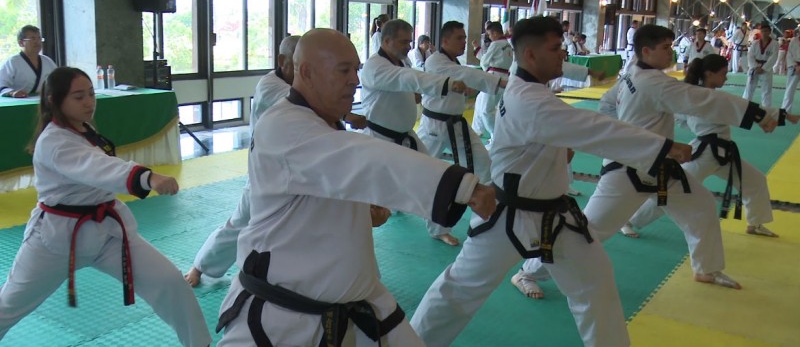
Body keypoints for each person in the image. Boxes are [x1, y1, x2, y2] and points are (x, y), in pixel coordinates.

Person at [409, 16, 692, 347]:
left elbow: (561, 128)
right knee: (458, 290)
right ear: (530, 55)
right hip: (511, 216)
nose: (563, 54)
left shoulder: (533, 92)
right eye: (556, 48)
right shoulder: (529, 99)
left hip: (556, 216)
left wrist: (558, 150)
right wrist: (662, 146)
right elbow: (593, 128)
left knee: (596, 288)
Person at [215, 28, 497, 346]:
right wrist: (464, 187)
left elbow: (327, 185)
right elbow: (360, 159)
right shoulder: (284, 125)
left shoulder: (323, 124)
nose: (354, 80)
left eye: (355, 69)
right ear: (305, 71)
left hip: (355, 301)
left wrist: (360, 213)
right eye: (344, 70)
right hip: (279, 319)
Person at [515, 24, 777, 298]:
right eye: (665, 48)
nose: (670, 52)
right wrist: (759, 114)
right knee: (587, 232)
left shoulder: (632, 74)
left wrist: (624, 129)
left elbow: (607, 103)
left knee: (700, 207)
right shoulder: (651, 82)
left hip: (660, 166)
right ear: (646, 51)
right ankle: (527, 271)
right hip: (628, 169)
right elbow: (701, 100)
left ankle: (706, 268)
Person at [0, 67, 211, 346]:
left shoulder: (82, 130)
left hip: (107, 235)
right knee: (9, 306)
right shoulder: (53, 142)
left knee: (169, 281)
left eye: (90, 94)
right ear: (54, 101)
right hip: (56, 241)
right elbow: (99, 167)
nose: (89, 102)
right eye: (78, 97)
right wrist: (147, 177)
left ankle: (201, 344)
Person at [625, 54, 798, 238]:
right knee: (673, 190)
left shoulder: (706, 95)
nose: (726, 77)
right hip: (705, 153)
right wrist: (780, 116)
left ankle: (755, 222)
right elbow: (738, 107)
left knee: (755, 181)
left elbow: (737, 107)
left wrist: (781, 115)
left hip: (724, 152)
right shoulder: (699, 96)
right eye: (723, 73)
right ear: (709, 74)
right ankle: (630, 221)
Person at [184, 36, 302, 287]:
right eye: (299, 64)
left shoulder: (295, 85)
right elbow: (304, 99)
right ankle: (201, 265)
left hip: (296, 169)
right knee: (240, 222)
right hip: (265, 170)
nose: (305, 71)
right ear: (283, 62)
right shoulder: (269, 86)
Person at [360, 19, 467, 246]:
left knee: (434, 178)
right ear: (386, 40)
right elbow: (406, 79)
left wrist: (414, 94)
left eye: (410, 41)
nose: (409, 46)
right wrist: (444, 83)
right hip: (380, 140)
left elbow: (406, 81)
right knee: (368, 197)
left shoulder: (401, 61)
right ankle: (354, 241)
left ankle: (439, 228)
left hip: (405, 136)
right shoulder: (374, 65)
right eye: (404, 41)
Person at [417, 21, 507, 210]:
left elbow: (464, 78)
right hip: (434, 124)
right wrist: (500, 82)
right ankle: (395, 201)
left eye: (464, 38)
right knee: (420, 169)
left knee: (483, 162)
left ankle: (490, 205)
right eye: (459, 38)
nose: (464, 42)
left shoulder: (451, 61)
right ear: (445, 40)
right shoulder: (436, 61)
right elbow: (464, 74)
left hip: (457, 123)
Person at [472, 21, 512, 142]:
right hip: (505, 78)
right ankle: (477, 129)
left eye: (490, 34)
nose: (489, 37)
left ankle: (496, 137)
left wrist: (486, 70)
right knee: (480, 101)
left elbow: (484, 61)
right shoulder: (508, 44)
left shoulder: (496, 44)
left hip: (494, 78)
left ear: (495, 33)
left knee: (486, 109)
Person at [0, 25, 57, 98]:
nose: (37, 42)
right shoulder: (12, 62)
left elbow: (58, 81)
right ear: (21, 43)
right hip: (17, 102)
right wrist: (12, 92)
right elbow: (1, 85)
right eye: (32, 39)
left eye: (39, 38)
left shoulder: (48, 61)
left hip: (42, 101)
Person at [743, 24, 778, 107]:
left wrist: (763, 68)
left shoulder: (775, 44)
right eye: (762, 31)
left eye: (766, 31)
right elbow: (750, 55)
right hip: (754, 68)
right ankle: (744, 107)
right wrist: (755, 66)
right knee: (749, 89)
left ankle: (766, 110)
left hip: (766, 69)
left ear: (770, 32)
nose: (764, 33)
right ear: (760, 32)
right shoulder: (755, 43)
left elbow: (774, 57)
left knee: (766, 91)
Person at [783, 30, 800, 112]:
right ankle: (785, 111)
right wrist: (795, 65)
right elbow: (789, 54)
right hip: (794, 67)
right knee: (790, 90)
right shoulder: (794, 40)